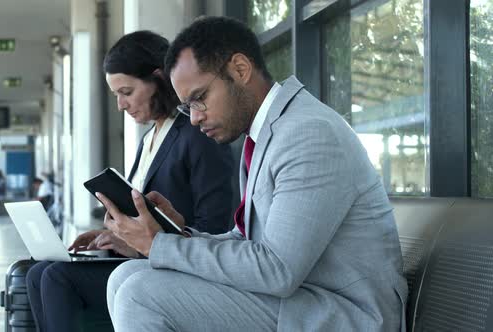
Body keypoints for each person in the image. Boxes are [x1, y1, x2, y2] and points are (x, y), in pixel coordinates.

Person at [100, 17, 408, 332]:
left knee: (140, 294)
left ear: (240, 69)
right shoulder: (266, 134)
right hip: (299, 300)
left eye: (199, 98)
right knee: (125, 278)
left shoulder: (308, 133)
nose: (193, 118)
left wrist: (159, 246)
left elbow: (277, 269)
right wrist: (178, 234)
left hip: (342, 314)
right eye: (186, 107)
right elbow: (247, 242)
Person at [26, 30, 235, 332]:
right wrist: (112, 235)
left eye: (126, 92)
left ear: (159, 79)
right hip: (141, 260)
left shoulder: (198, 135)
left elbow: (215, 228)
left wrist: (138, 246)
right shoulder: (149, 139)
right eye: (116, 95)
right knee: (37, 273)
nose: (121, 105)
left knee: (57, 277)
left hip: (175, 269)